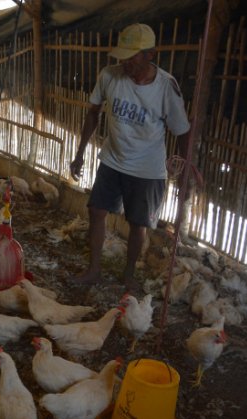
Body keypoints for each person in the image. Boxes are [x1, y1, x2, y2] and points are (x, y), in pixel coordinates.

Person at [70, 23, 190, 290]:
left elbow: (182, 130)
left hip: (147, 169)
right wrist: (79, 153)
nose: (124, 62)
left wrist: (187, 168)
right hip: (113, 159)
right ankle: (94, 269)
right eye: (122, 55)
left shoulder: (166, 86)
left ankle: (128, 274)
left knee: (138, 224)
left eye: (131, 55)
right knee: (96, 210)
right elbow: (93, 113)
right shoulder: (110, 76)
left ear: (150, 54)